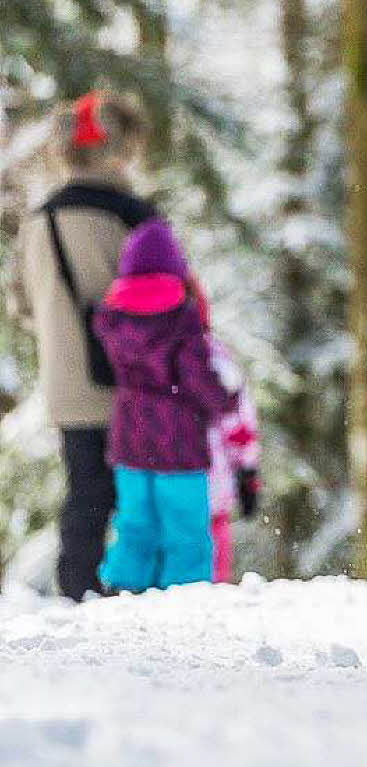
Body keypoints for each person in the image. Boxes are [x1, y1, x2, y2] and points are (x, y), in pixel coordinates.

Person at [8, 91, 158, 600]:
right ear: (122, 150)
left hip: (67, 381)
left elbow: (21, 304)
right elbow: (170, 300)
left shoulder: (38, 220)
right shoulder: (135, 217)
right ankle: (142, 585)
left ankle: (77, 587)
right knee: (143, 492)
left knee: (86, 489)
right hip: (138, 384)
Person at [92, 218, 236, 592]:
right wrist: (224, 401)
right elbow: (196, 377)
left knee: (135, 523)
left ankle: (124, 588)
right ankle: (186, 598)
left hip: (129, 439)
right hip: (179, 443)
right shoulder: (181, 317)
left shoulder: (110, 318)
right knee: (186, 527)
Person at [188, 276, 262, 583]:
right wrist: (248, 473)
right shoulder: (214, 358)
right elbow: (238, 423)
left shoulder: (143, 358)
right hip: (213, 477)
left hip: (161, 476)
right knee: (213, 555)